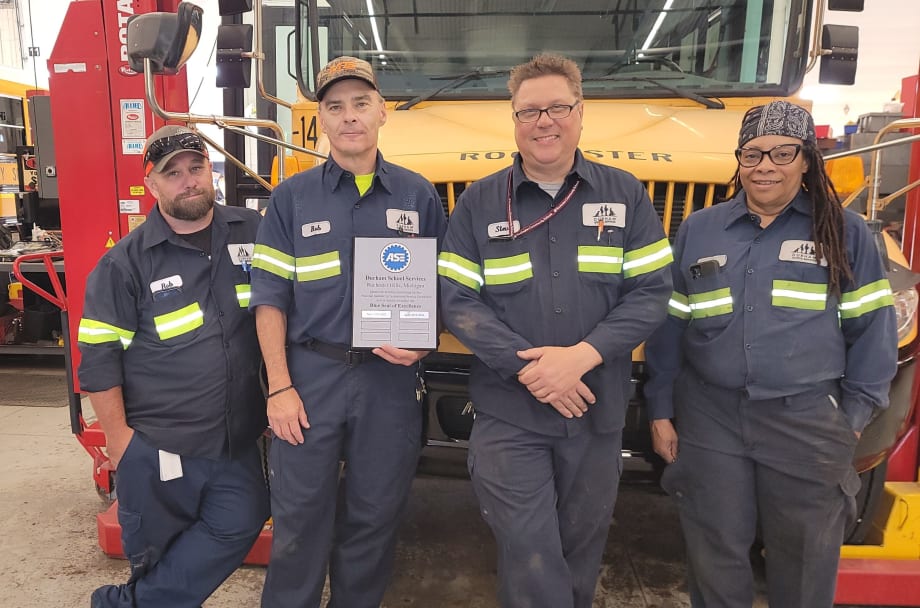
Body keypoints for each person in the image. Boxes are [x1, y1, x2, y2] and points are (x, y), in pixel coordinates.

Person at [437, 53, 673, 608]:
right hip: (509, 415)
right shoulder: (478, 202)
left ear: (580, 113)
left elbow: (652, 293)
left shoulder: (627, 195)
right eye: (530, 111)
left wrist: (582, 356)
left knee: (579, 549)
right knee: (531, 549)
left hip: (596, 411)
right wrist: (533, 368)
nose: (545, 122)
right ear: (514, 120)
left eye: (558, 108)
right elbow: (457, 300)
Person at [644, 101, 898, 608]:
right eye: (752, 153)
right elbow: (670, 325)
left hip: (806, 420)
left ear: (807, 160)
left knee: (803, 562)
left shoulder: (845, 232)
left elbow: (873, 330)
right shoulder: (700, 229)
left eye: (783, 153)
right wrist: (661, 409)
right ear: (739, 160)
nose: (765, 165)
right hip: (711, 417)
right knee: (714, 554)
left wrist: (850, 418)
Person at [251, 56, 447, 608]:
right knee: (298, 522)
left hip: (388, 382)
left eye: (361, 103)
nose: (349, 116)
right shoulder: (290, 199)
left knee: (374, 518)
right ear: (323, 119)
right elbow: (269, 299)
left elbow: (442, 288)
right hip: (309, 380)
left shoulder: (417, 195)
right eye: (335, 107)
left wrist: (425, 340)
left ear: (382, 112)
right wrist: (279, 386)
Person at [79, 125, 270, 607]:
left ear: (212, 171)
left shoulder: (252, 232)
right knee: (158, 554)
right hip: (162, 445)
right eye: (173, 173)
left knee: (242, 520)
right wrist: (122, 445)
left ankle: (127, 605)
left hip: (235, 440)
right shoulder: (124, 264)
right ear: (152, 185)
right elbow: (99, 360)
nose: (188, 180)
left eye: (196, 167)